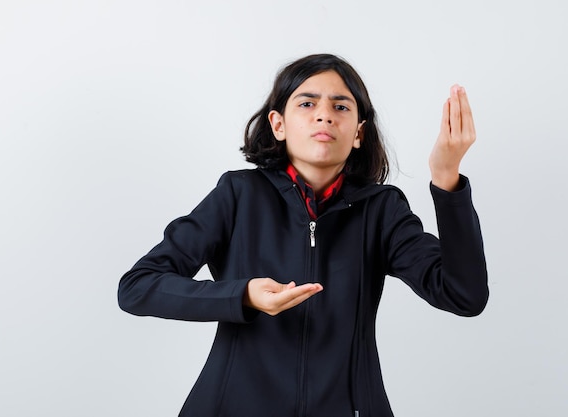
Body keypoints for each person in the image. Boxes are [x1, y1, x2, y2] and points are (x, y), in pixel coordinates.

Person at [118, 53, 488, 417]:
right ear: (278, 125)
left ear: (359, 133)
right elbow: (138, 287)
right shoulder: (237, 194)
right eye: (307, 103)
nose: (325, 114)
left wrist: (446, 178)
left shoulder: (382, 210)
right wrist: (242, 296)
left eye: (341, 107)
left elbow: (464, 295)